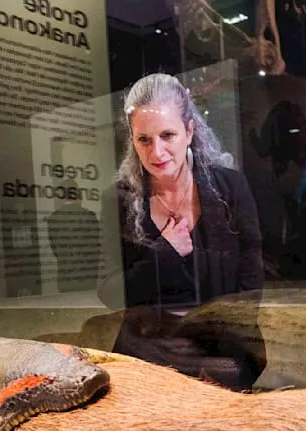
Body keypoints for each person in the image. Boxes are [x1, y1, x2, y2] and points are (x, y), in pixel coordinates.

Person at [97, 73, 266, 389]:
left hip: (221, 347)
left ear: (190, 131)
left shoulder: (230, 187)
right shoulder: (117, 199)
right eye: (143, 140)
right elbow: (109, 291)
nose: (156, 152)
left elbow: (251, 282)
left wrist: (221, 344)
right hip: (149, 349)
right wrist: (165, 253)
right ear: (132, 140)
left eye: (168, 135)